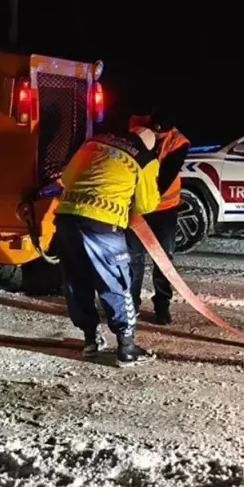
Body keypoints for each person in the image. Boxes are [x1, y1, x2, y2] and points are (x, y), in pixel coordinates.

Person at [54, 127, 160, 365]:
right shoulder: (144, 158)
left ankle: (90, 341)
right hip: (103, 225)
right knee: (116, 282)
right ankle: (126, 347)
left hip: (66, 218)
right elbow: (146, 204)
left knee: (76, 281)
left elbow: (67, 179)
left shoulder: (93, 142)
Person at [125, 108, 190, 326]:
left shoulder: (179, 143)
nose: (158, 135)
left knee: (163, 259)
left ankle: (162, 306)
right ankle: (130, 306)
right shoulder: (136, 128)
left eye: (163, 132)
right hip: (136, 207)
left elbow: (162, 181)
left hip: (163, 209)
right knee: (133, 259)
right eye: (155, 130)